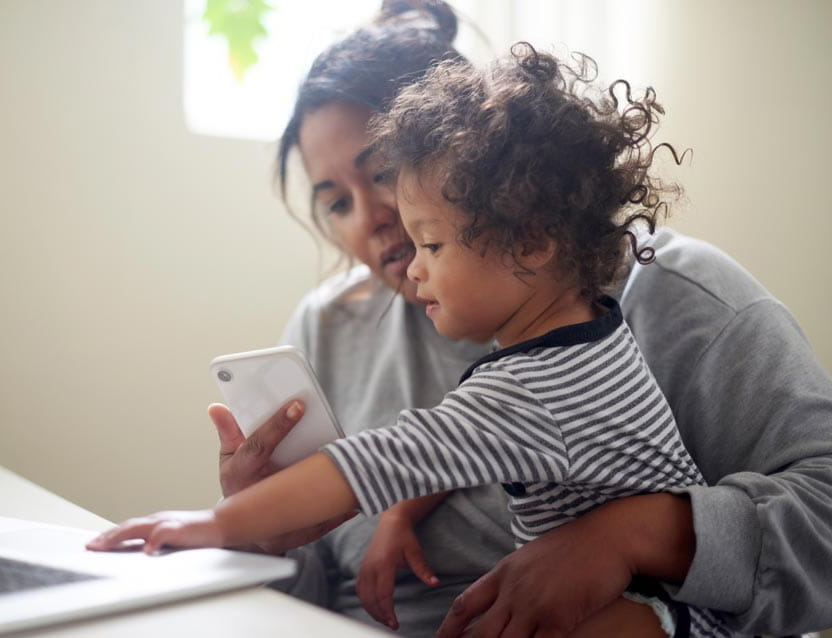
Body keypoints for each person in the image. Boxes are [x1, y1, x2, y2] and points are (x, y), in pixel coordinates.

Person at [117, 2, 832, 636]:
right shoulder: (327, 330)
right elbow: (338, 563)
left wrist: (631, 535)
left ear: (487, 175)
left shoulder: (680, 300)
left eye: (383, 174)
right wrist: (258, 534)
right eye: (335, 201)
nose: (372, 221)